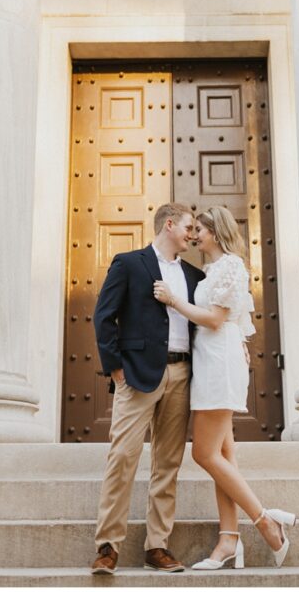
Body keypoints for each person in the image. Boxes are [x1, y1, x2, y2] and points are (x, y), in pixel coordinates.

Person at [152, 206, 297, 570]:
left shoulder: (231, 265)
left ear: (215, 232)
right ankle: (227, 541)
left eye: (199, 229)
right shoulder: (211, 271)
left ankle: (266, 520)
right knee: (224, 455)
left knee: (204, 454)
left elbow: (217, 319)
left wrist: (173, 300)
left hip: (219, 363)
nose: (194, 235)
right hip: (207, 362)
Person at [91, 203, 206, 575]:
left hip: (181, 375)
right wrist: (115, 369)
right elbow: (104, 316)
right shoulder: (129, 263)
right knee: (123, 457)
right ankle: (108, 546)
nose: (192, 233)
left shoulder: (193, 274)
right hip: (136, 375)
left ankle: (157, 547)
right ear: (169, 225)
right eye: (188, 227)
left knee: (168, 463)